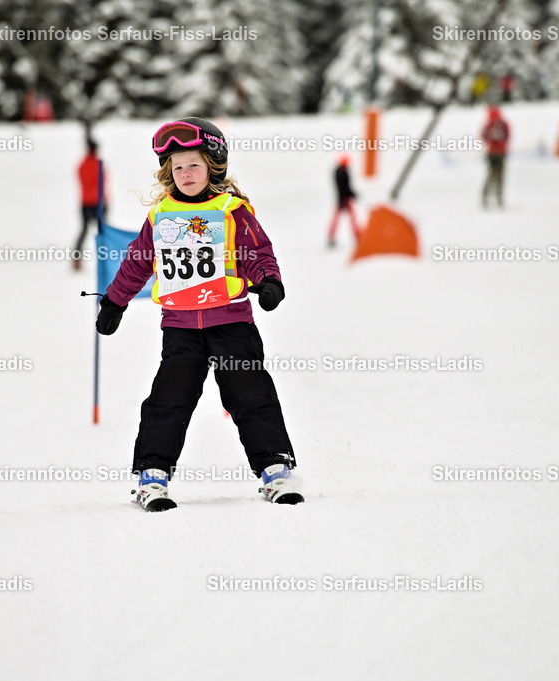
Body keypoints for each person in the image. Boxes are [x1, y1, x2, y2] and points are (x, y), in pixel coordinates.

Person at [95, 117, 301, 511]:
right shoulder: (160, 216)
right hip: (181, 329)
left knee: (251, 396)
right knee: (169, 400)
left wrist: (269, 282)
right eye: (177, 166)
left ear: (213, 165)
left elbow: (258, 253)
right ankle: (152, 476)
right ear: (167, 173)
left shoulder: (232, 210)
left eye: (193, 164)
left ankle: (275, 469)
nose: (185, 173)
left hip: (232, 324)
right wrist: (114, 302)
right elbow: (137, 263)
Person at [72, 140, 102, 271]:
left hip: (85, 202)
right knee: (102, 231)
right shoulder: (98, 164)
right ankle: (106, 258)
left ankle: (77, 259)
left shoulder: (82, 165)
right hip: (97, 203)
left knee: (84, 230)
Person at [480, 104, 510, 208]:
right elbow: (507, 135)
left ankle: (485, 196)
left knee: (490, 175)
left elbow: (483, 135)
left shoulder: (489, 124)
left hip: (491, 152)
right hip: (501, 152)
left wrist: (490, 145)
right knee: (500, 176)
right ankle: (499, 197)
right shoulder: (503, 123)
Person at [328, 155, 360, 247]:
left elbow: (347, 187)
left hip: (344, 199)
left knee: (352, 218)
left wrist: (353, 194)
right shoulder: (341, 174)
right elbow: (343, 188)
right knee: (341, 219)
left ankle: (357, 235)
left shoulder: (341, 172)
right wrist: (347, 197)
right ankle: (331, 237)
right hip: (343, 199)